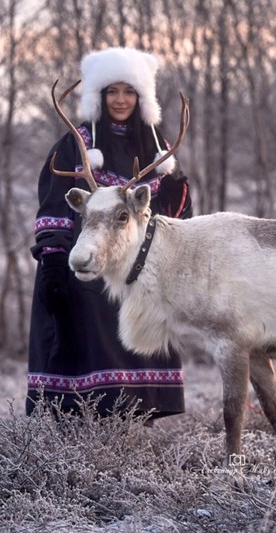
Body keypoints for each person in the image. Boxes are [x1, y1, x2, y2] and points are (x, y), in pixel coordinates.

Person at [26, 47, 192, 420]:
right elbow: (54, 206)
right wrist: (53, 262)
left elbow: (174, 215)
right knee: (89, 353)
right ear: (99, 96)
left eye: (129, 91)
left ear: (141, 97)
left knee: (139, 357)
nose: (120, 100)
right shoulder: (75, 146)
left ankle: (132, 437)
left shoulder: (157, 149)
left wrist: (178, 196)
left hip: (141, 278)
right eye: (112, 91)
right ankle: (84, 438)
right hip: (87, 273)